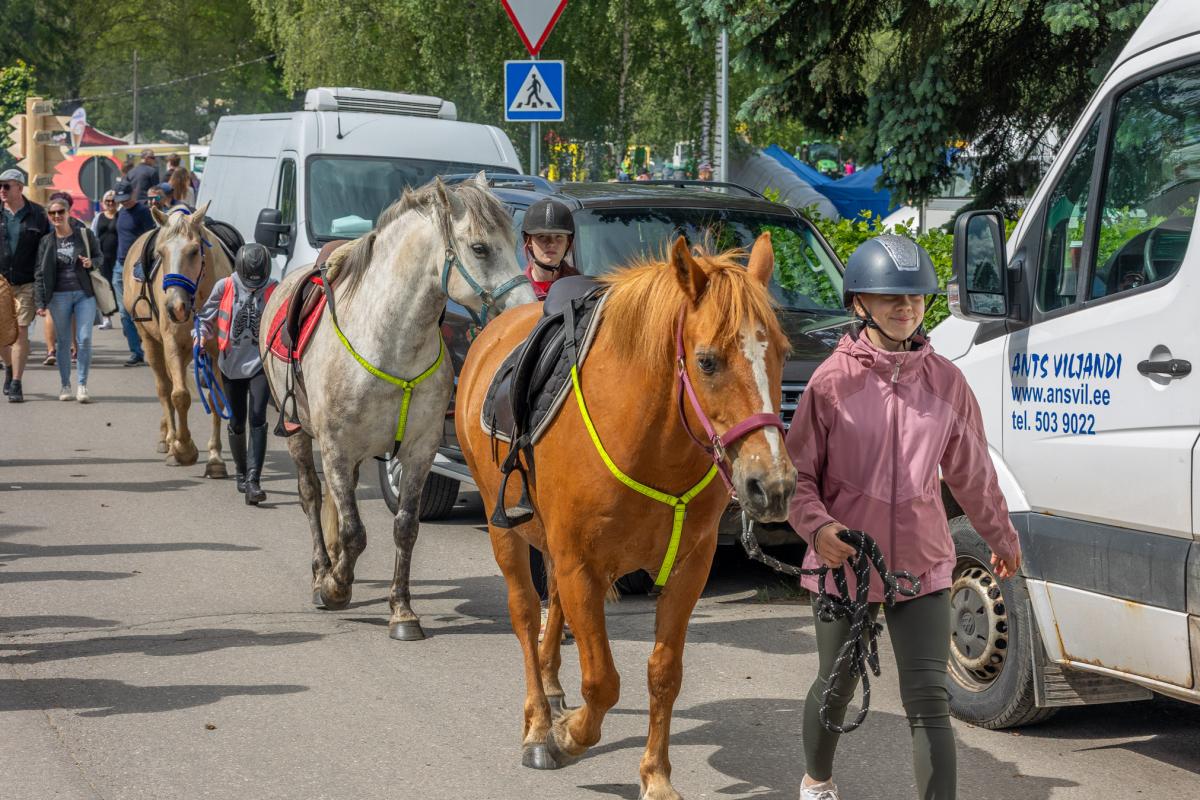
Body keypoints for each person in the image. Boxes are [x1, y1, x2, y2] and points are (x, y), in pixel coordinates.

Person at [786, 234, 1022, 800]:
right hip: (844, 561)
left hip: (921, 562)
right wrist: (817, 528)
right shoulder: (830, 382)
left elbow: (972, 473)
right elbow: (797, 478)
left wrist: (1001, 534)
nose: (906, 308)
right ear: (858, 303)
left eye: (915, 298)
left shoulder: (946, 382)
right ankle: (817, 783)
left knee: (928, 701)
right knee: (836, 684)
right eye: (891, 297)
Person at [195, 243, 278, 504]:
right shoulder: (225, 286)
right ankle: (241, 474)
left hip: (260, 364)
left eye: (258, 282)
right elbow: (205, 318)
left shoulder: (275, 287)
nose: (254, 287)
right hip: (230, 364)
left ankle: (254, 480)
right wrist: (200, 335)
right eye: (249, 282)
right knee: (237, 421)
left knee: (257, 417)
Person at [34, 196, 102, 403]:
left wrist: (92, 262)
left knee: (85, 339)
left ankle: (82, 385)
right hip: (58, 296)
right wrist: (40, 302)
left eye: (60, 212)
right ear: (49, 216)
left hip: (84, 294)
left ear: (68, 213)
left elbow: (100, 257)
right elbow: (39, 272)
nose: (57, 216)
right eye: (53, 213)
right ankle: (65, 385)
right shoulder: (46, 241)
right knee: (63, 342)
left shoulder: (84, 234)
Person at [0, 168, 50, 403]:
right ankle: (9, 368)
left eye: (6, 186)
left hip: (27, 281)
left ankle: (17, 381)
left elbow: (49, 249)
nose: (2, 190)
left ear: (20, 187)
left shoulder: (38, 215)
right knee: (3, 335)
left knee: (21, 331)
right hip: (1, 282)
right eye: (0, 186)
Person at [111, 178, 155, 366]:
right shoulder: (121, 212)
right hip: (119, 267)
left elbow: (150, 238)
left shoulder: (144, 212)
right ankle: (136, 352)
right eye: (120, 199)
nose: (124, 202)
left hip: (137, 267)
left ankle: (150, 345)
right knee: (123, 312)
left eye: (126, 198)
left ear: (134, 194)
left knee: (141, 308)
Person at [521, 197, 578, 300]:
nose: (551, 243)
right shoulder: (518, 294)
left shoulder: (580, 288)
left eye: (559, 237)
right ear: (529, 242)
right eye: (542, 236)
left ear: (567, 242)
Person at [92, 189, 120, 330]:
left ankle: (123, 316)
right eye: (107, 201)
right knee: (104, 288)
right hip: (102, 258)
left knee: (118, 287)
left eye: (113, 201)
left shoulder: (121, 216)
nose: (110, 203)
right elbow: (93, 234)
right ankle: (106, 318)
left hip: (118, 257)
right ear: (103, 203)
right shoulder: (99, 217)